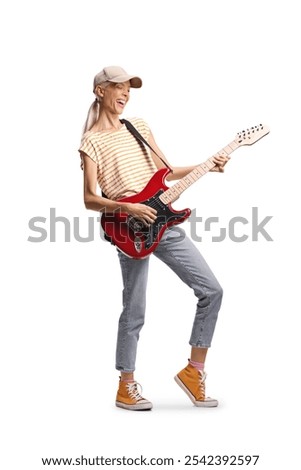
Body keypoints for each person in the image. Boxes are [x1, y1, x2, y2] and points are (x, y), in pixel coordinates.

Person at [78, 66, 229, 411]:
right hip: (128, 228)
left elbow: (165, 172)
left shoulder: (139, 126)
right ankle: (125, 386)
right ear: (100, 91)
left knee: (212, 290)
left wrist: (206, 165)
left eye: (129, 88)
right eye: (118, 87)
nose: (125, 93)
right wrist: (127, 208)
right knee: (135, 309)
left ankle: (194, 371)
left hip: (162, 220)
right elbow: (88, 198)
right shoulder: (91, 142)